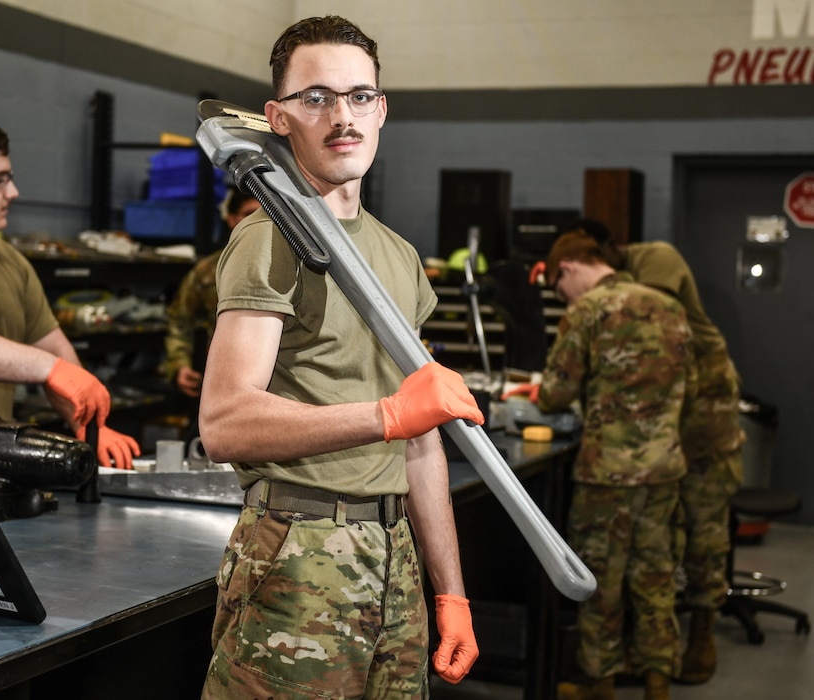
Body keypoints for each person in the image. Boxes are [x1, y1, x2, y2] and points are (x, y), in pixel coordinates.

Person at [198, 16, 484, 699]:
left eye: (359, 96)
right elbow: (225, 422)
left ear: (381, 109)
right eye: (316, 97)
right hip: (297, 552)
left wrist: (451, 594)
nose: (341, 116)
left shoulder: (400, 256)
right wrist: (387, 414)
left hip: (395, 560)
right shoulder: (269, 238)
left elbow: (420, 447)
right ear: (277, 117)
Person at [563, 218, 745, 684]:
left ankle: (702, 629)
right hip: (657, 407)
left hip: (703, 402)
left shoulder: (656, 260)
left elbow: (646, 332)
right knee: (652, 544)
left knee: (702, 525)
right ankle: (634, 657)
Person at [0, 114, 140, 471]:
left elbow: (53, 348)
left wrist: (89, 426)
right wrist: (50, 369)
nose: (12, 192)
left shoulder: (9, 263)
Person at [527, 231, 696, 700]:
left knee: (601, 580)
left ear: (571, 268)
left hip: (609, 474)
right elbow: (693, 386)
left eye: (560, 289)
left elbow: (556, 393)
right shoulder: (669, 306)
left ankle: (599, 684)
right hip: (664, 468)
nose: (565, 298)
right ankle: (657, 681)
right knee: (656, 576)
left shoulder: (589, 311)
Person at [163, 188, 261, 398]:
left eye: (266, 215)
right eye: (249, 215)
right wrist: (179, 365)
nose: (258, 223)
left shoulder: (291, 268)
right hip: (218, 381)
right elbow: (180, 321)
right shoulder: (208, 271)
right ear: (232, 219)